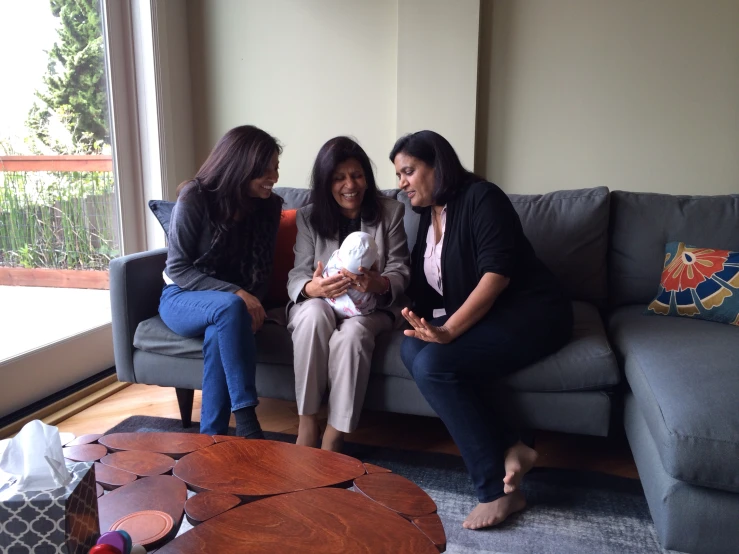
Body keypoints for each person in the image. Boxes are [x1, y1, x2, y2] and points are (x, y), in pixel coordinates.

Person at [391, 130, 573, 530]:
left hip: (533, 311)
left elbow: (496, 275)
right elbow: (428, 286)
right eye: (399, 174)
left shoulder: (482, 198)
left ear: (437, 167)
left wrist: (450, 331)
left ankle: (497, 491)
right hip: (490, 317)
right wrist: (410, 317)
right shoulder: (428, 215)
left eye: (409, 171)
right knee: (411, 351)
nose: (401, 183)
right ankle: (513, 445)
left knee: (435, 364)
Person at [158, 125, 283, 438]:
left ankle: (210, 441)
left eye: (276, 168)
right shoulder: (196, 197)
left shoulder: (268, 207)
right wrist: (239, 295)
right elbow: (179, 268)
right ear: (241, 166)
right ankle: (246, 420)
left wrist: (247, 300)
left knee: (220, 330)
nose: (273, 177)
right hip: (182, 296)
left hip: (229, 309)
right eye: (265, 169)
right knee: (229, 306)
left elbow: (261, 270)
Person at [287, 136, 411, 451]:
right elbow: (298, 272)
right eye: (339, 178)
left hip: (370, 308)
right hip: (323, 302)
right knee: (312, 316)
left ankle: (334, 433)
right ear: (326, 183)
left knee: (352, 335)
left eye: (356, 175)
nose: (349, 185)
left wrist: (379, 283)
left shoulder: (391, 212)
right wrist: (311, 287)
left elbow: (400, 269)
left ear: (367, 178)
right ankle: (307, 421)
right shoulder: (308, 217)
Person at [322, 231, 379, 319]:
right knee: (313, 316)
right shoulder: (306, 219)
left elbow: (397, 267)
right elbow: (300, 271)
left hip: (365, 310)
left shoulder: (390, 219)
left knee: (353, 330)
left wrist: (381, 284)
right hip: (321, 299)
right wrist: (310, 288)